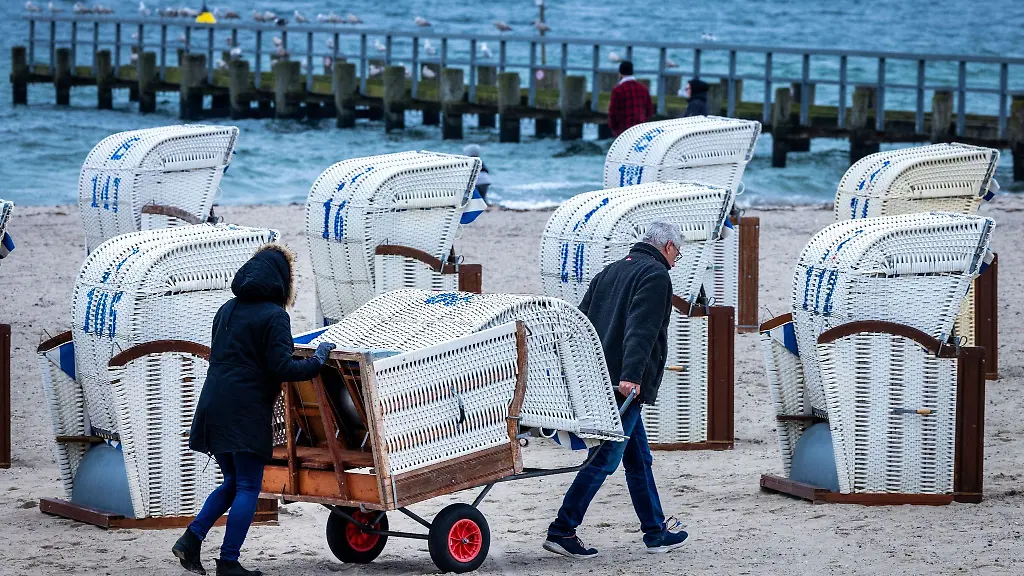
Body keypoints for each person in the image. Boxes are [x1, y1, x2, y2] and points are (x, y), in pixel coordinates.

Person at [172, 244, 337, 576]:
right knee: (248, 485)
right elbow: (282, 368)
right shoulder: (275, 316)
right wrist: (318, 361)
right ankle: (229, 563)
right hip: (244, 410)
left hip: (213, 406)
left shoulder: (226, 310)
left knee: (232, 481)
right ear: (280, 281)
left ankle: (191, 539)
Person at [544, 222, 689, 559]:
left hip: (597, 378)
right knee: (606, 458)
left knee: (639, 459)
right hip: (622, 385)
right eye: (677, 254)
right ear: (667, 246)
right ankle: (562, 529)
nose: (674, 260)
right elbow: (642, 328)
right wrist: (632, 376)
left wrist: (577, 370)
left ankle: (655, 532)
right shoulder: (655, 275)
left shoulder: (609, 271)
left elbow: (580, 321)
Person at [607, 61, 653, 137]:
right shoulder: (643, 88)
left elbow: (613, 113)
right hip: (640, 129)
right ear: (632, 71)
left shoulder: (618, 90)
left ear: (620, 73)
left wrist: (614, 129)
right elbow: (649, 110)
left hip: (623, 130)